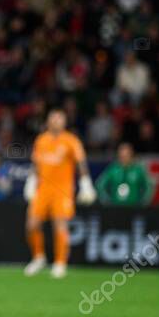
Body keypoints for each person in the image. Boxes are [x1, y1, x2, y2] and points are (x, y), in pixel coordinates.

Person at [23, 109, 96, 278]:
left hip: (62, 190)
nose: (56, 122)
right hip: (43, 189)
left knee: (60, 225)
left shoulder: (71, 140)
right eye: (53, 119)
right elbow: (36, 163)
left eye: (59, 119)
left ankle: (60, 263)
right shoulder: (41, 140)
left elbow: (81, 163)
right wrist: (31, 182)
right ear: (48, 122)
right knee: (31, 224)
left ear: (64, 122)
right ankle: (38, 257)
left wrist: (85, 184)